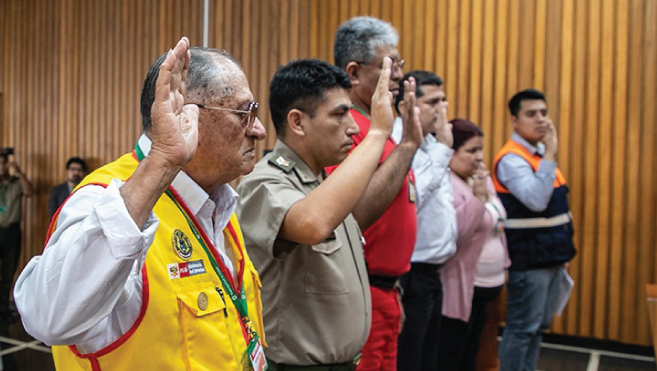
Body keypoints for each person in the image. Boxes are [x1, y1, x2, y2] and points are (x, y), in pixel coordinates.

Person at [14, 37, 268, 371]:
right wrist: (162, 161)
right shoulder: (102, 199)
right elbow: (47, 318)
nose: (260, 131)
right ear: (185, 116)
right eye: (244, 112)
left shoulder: (217, 200)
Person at [237, 58, 416, 370]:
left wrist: (409, 144)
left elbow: (358, 214)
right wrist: (378, 133)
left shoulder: (323, 183)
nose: (351, 127)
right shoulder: (264, 182)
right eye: (339, 114)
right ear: (297, 122)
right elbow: (312, 224)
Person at [332, 16, 423, 371]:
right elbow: (350, 218)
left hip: (386, 289)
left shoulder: (378, 125)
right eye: (389, 65)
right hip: (361, 289)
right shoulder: (350, 129)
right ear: (353, 72)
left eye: (399, 64)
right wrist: (409, 146)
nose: (399, 74)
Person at [494, 89, 576, 371]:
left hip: (550, 256)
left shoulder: (538, 155)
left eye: (543, 112)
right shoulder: (511, 159)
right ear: (514, 120)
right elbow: (537, 201)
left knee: (538, 327)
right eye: (531, 114)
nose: (541, 119)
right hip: (529, 260)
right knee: (522, 328)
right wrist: (551, 153)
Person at [390, 71, 456, 371]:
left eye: (444, 101)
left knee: (429, 357)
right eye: (433, 102)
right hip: (411, 273)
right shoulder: (399, 143)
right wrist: (443, 148)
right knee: (410, 359)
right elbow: (411, 199)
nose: (442, 109)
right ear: (407, 105)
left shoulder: (431, 143)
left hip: (434, 270)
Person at [437, 119, 509, 371]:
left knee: (473, 353)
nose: (479, 157)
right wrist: (478, 199)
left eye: (481, 149)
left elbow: (499, 224)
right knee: (453, 354)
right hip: (461, 286)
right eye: (471, 151)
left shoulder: (481, 177)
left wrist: (505, 264)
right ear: (451, 153)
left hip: (490, 285)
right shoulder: (446, 184)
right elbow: (456, 236)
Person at [0, 150, 33, 323]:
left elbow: (29, 191)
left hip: (12, 230)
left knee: (9, 270)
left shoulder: (15, 182)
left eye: (3, 163)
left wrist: (18, 171)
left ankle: (4, 307)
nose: (1, 167)